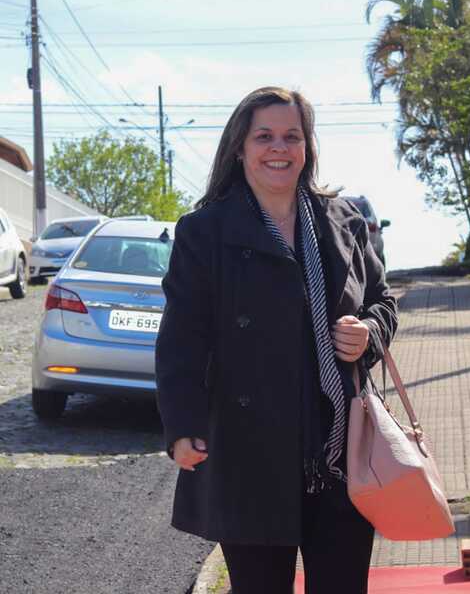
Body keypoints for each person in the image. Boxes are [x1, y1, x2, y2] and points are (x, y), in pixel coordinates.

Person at [155, 86, 398, 594]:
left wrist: (369, 333)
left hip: (342, 457)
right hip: (249, 459)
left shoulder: (344, 220)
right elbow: (182, 338)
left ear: (307, 147)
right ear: (240, 147)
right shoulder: (205, 231)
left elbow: (382, 301)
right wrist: (182, 426)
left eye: (292, 136)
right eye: (264, 136)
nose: (279, 148)